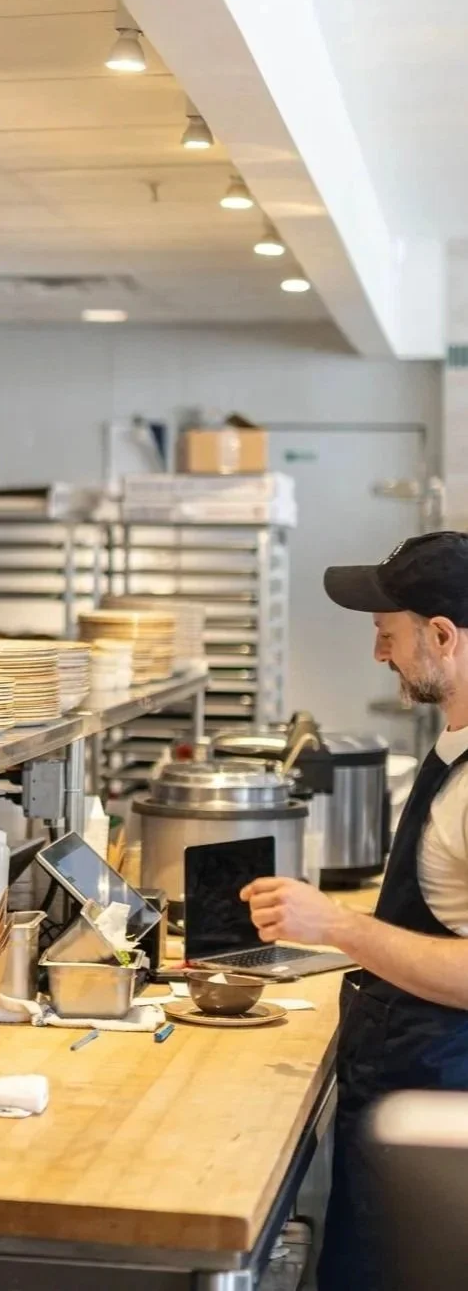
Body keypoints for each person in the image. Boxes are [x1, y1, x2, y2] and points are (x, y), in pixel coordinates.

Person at [239, 532, 468, 1291]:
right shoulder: (453, 746)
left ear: (442, 635)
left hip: (435, 1095)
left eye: (387, 636)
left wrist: (335, 927)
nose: (380, 656)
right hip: (406, 1070)